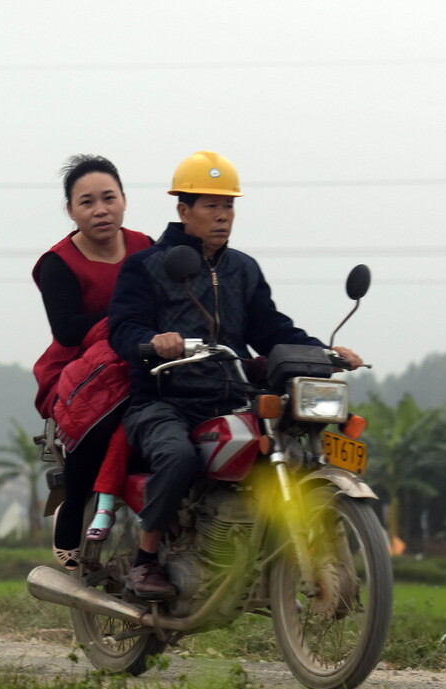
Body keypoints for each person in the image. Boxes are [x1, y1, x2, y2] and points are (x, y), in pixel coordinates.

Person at [108, 150, 363, 600]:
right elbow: (124, 329)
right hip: (163, 401)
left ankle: (256, 559)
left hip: (229, 397)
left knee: (284, 450)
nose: (223, 217)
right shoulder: (146, 265)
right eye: (212, 206)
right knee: (178, 457)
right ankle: (146, 561)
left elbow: (269, 327)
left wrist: (324, 351)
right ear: (183, 210)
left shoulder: (242, 268)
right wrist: (154, 341)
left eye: (228, 206)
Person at [32, 154, 152, 568]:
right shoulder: (57, 264)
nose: (100, 210)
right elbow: (66, 329)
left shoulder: (146, 247)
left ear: (123, 200)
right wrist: (128, 321)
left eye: (108, 198)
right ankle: (71, 519)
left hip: (140, 357)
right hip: (78, 372)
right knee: (101, 418)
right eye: (87, 202)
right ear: (71, 210)